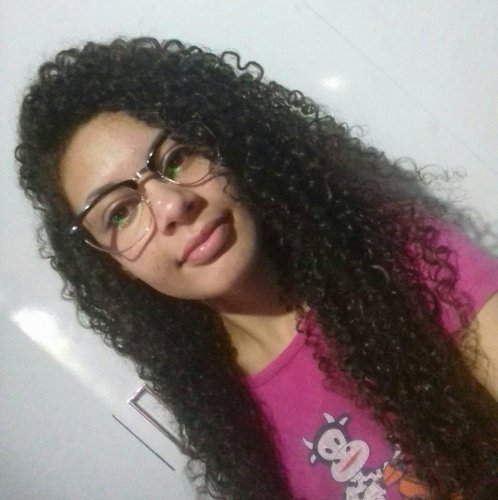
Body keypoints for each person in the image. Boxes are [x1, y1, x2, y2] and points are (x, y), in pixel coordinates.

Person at [16, 37, 498, 499]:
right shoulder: (226, 417)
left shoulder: (397, 259)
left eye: (177, 158)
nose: (172, 205)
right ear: (112, 264)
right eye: (120, 213)